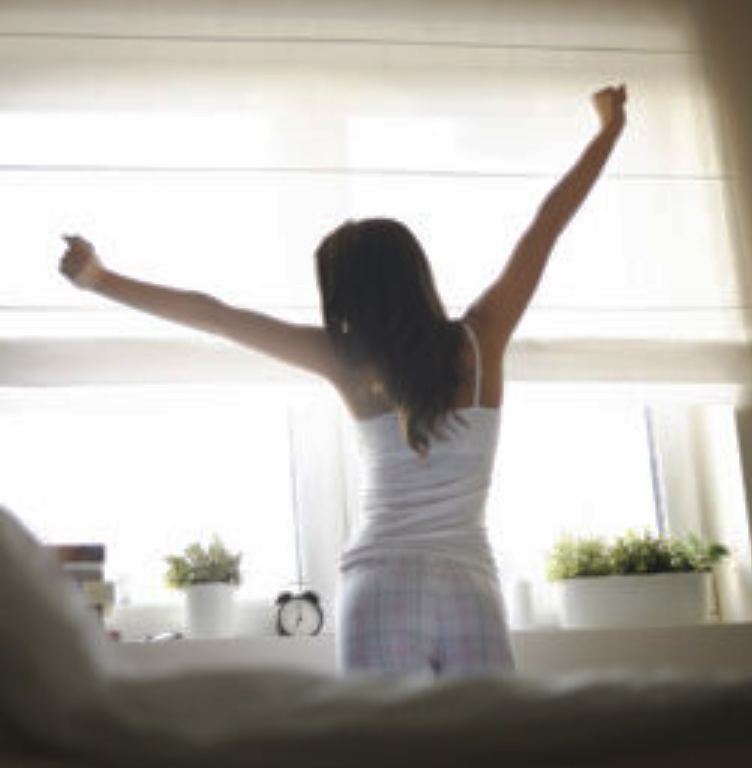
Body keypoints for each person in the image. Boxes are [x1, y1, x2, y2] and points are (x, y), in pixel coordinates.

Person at [58, 85, 628, 677]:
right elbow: (545, 227)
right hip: (468, 585)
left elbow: (215, 313)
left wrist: (101, 279)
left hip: (380, 584)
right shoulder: (481, 341)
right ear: (415, 275)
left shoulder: (343, 360)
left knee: (380, 764)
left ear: (346, 296)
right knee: (490, 763)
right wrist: (608, 131)